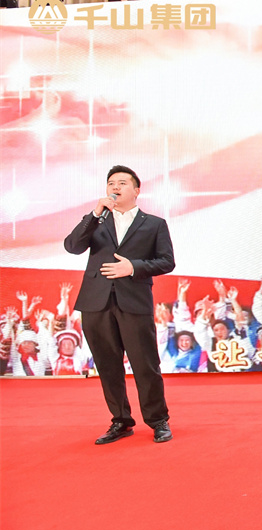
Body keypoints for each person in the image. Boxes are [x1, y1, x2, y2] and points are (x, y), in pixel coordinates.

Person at [64, 165, 176, 444]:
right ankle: (121, 421)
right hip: (96, 303)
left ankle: (158, 420)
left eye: (122, 183)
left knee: (145, 364)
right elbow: (72, 246)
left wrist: (133, 267)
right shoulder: (96, 220)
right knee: (107, 365)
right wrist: (94, 214)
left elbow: (166, 261)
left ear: (136, 190)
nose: (115, 187)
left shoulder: (154, 224)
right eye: (111, 183)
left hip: (133, 301)